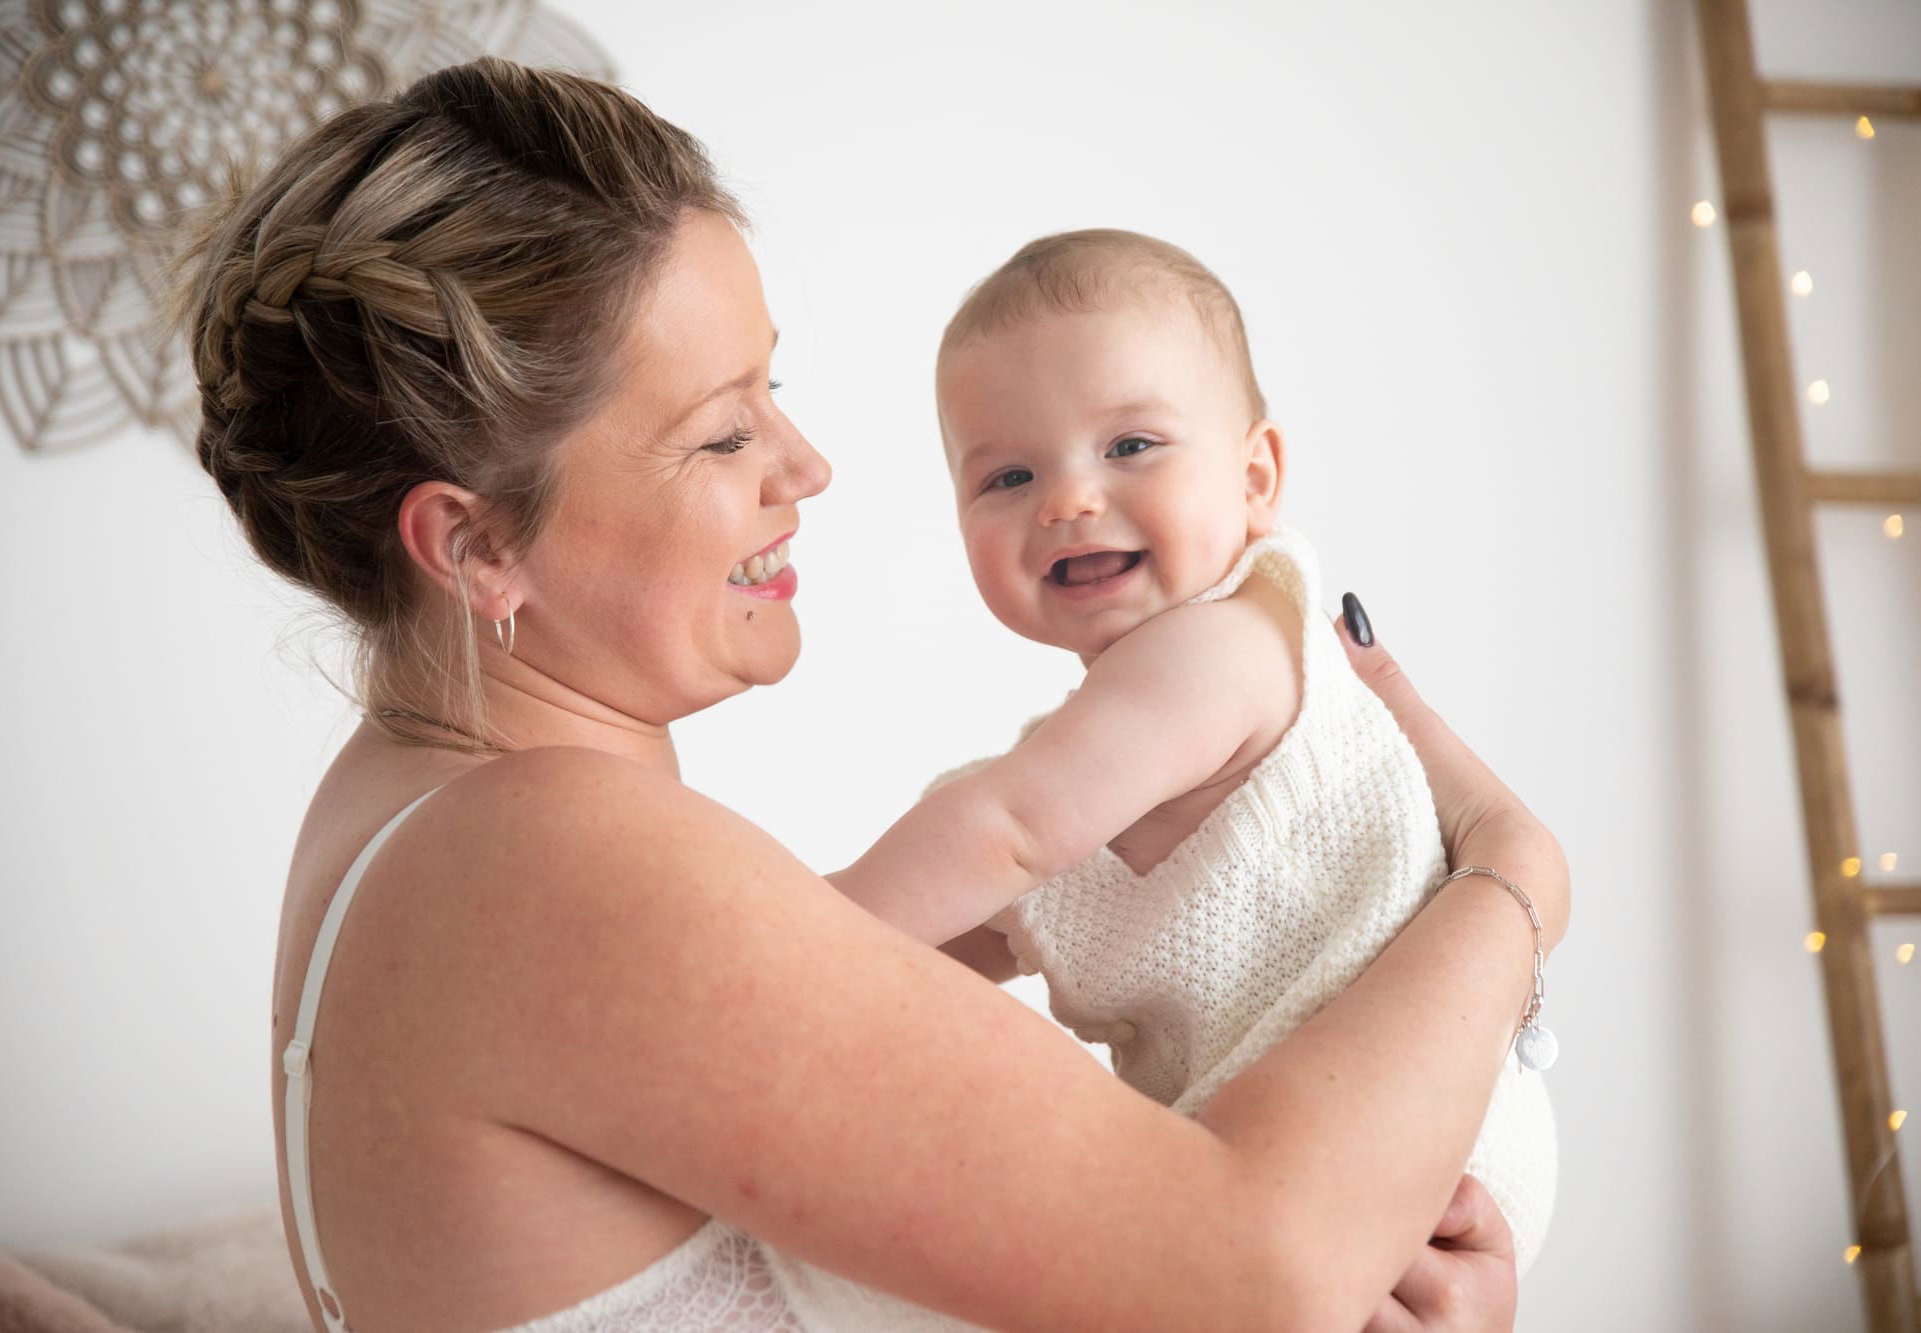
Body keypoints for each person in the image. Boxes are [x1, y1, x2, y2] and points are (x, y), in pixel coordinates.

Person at [179, 55, 1569, 1332]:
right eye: (723, 430)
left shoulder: (401, 815)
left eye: (772, 387)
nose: (807, 465)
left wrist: (1371, 1216)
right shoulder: (552, 857)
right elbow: (1260, 1275)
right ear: (477, 542)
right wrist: (1512, 887)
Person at [826, 230, 1555, 1273]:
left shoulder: (1228, 646)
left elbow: (1004, 834)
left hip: (1435, 1134)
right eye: (1008, 474)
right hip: (1306, 1155)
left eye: (1129, 447)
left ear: (1255, 476)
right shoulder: (1087, 767)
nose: (1066, 499)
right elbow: (914, 951)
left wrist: (791, 921)